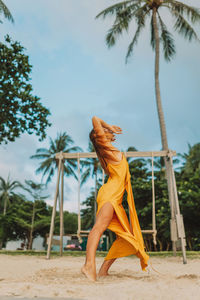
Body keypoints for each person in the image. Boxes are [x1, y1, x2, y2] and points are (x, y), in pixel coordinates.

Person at [81, 116, 149, 281]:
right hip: (109, 196)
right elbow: (95, 118)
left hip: (115, 198)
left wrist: (107, 128)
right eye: (105, 131)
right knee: (98, 228)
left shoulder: (110, 151)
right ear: (99, 137)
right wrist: (107, 125)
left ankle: (103, 270)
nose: (110, 131)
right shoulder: (105, 149)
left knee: (127, 237)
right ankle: (89, 265)